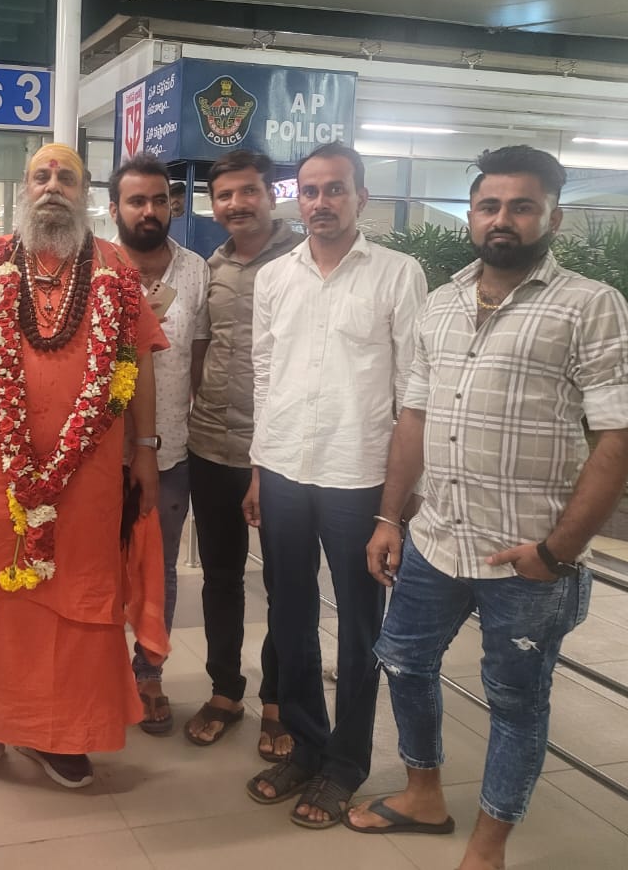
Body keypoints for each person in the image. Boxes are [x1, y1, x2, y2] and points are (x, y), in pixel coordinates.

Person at [347, 146, 628, 870]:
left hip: (526, 559)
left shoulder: (589, 305)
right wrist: (389, 517)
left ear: (553, 217)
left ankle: (488, 847)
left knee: (515, 702)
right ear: (471, 216)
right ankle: (423, 795)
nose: (502, 219)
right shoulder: (442, 303)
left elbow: (620, 438)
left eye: (521, 206)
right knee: (403, 663)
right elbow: (414, 418)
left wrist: (556, 553)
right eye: (489, 206)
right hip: (435, 539)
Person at [0, 143, 166, 794]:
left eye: (66, 177)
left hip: (88, 479)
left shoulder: (114, 269)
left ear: (85, 192)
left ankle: (61, 733)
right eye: (41, 176)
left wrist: (145, 448)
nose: (53, 186)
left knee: (76, 600)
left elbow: (139, 362)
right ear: (26, 189)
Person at [244, 142, 426, 828]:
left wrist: (396, 507)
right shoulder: (275, 277)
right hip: (285, 469)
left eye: (335, 189)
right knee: (289, 614)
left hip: (358, 477)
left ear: (361, 197)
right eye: (310, 190)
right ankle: (305, 745)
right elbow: (265, 376)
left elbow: (413, 393)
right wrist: (258, 467)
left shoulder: (398, 275)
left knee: (358, 626)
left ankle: (346, 763)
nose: (321, 202)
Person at [184, 150, 304, 754]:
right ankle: (225, 691)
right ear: (214, 205)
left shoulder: (303, 262)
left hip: (280, 453)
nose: (237, 204)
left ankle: (278, 701)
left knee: (285, 582)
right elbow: (200, 349)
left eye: (248, 191)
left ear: (270, 194)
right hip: (212, 443)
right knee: (221, 577)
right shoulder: (212, 267)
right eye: (225, 195)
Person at [108, 153, 210, 735]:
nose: (149, 211)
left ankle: (149, 673)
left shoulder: (195, 271)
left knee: (159, 569)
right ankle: (97, 673)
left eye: (158, 201)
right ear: (115, 208)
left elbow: (197, 360)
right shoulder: (93, 265)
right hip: (94, 454)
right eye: (136, 201)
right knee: (94, 568)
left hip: (169, 452)